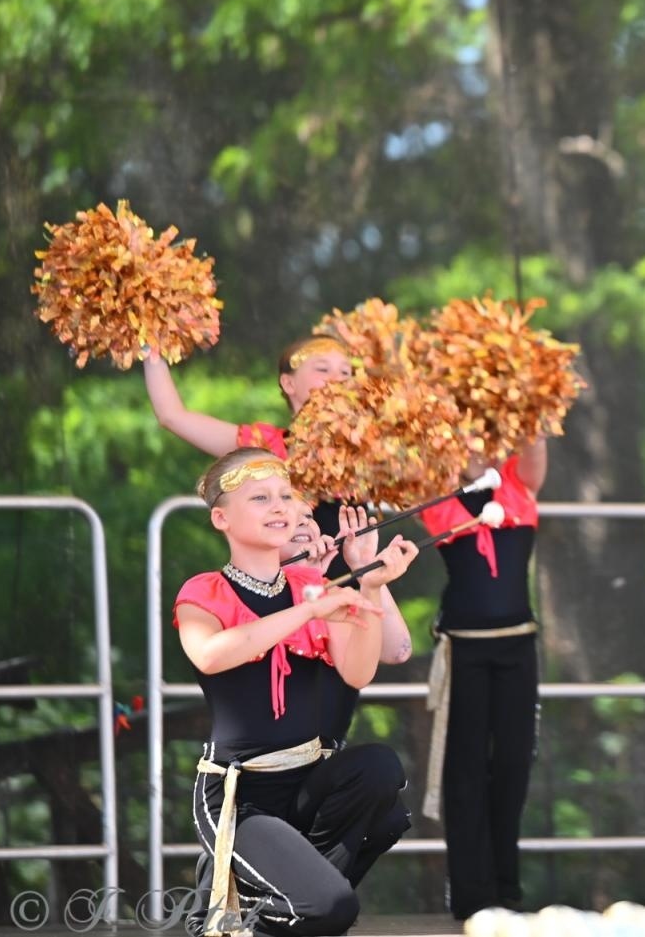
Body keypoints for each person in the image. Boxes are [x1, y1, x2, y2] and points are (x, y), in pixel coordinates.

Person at [146, 336, 415, 863]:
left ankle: (296, 878)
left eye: (347, 369)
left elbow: (391, 649)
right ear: (288, 385)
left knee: (343, 735)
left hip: (337, 592)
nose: (338, 378)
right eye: (322, 368)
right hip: (291, 594)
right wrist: (152, 338)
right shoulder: (267, 450)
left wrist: (366, 579)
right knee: (283, 733)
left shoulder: (364, 453)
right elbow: (174, 416)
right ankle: (265, 868)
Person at [174, 449, 419, 935]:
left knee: (379, 770)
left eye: (286, 496)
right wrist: (307, 612)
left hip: (306, 780)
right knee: (331, 908)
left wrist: (370, 588)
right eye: (261, 497)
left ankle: (262, 906)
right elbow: (211, 654)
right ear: (220, 517)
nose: (281, 507)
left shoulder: (311, 583)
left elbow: (357, 672)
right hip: (240, 794)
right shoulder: (204, 591)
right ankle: (246, 911)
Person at [419, 443, 548, 920]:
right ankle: (473, 895)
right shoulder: (437, 488)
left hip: (517, 644)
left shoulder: (518, 479)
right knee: (466, 767)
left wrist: (530, 394)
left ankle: (506, 887)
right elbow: (400, 464)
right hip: (465, 646)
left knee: (514, 762)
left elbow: (534, 443)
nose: (480, 438)